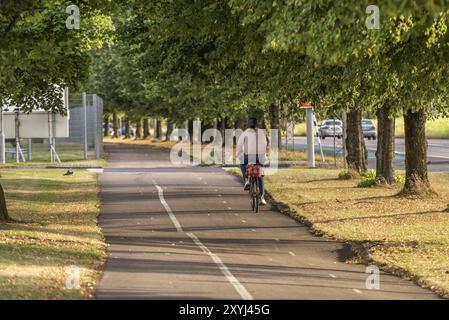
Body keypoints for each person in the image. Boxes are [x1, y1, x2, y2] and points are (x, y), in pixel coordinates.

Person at [236, 117, 268, 206]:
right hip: (260, 156)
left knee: (242, 163)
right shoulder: (261, 132)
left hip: (248, 155)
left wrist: (239, 155)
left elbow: (239, 145)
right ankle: (262, 197)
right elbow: (265, 143)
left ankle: (246, 180)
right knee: (260, 174)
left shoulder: (245, 132)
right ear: (256, 124)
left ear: (248, 124)